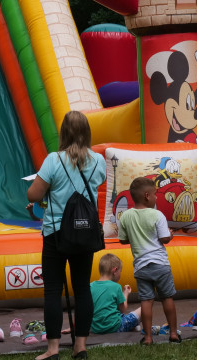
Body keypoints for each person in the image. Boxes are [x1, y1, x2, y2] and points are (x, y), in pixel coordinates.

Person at [26, 111, 106, 360]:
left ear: (63, 132)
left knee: (52, 290)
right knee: (82, 289)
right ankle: (80, 345)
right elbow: (96, 184)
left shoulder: (53, 160)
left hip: (56, 233)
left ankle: (52, 349)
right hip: (84, 232)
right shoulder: (98, 161)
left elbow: (33, 195)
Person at [117, 176, 180, 345]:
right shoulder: (157, 215)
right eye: (155, 194)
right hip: (160, 265)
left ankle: (148, 337)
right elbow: (164, 239)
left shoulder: (126, 216)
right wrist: (170, 236)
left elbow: (123, 240)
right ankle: (173, 333)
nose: (156, 197)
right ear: (146, 195)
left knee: (146, 301)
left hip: (141, 267)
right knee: (167, 298)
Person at [90, 253, 141, 335]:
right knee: (143, 309)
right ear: (115, 270)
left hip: (96, 329)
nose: (120, 274)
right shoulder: (116, 287)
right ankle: (143, 328)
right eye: (120, 272)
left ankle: (133, 326)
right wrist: (126, 293)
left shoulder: (91, 286)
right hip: (116, 327)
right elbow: (123, 309)